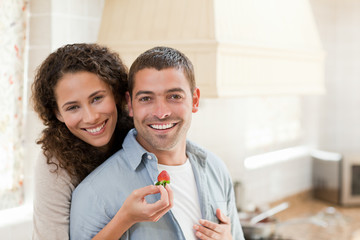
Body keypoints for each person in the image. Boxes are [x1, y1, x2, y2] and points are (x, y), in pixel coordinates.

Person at [70, 46, 245, 240]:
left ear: (195, 100)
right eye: (146, 98)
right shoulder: (94, 192)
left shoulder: (216, 169)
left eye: (174, 96)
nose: (161, 112)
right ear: (130, 104)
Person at [31, 43, 173, 240]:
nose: (90, 117)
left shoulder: (138, 132)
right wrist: (125, 218)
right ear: (58, 113)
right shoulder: (54, 164)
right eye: (73, 107)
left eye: (97, 98)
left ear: (115, 93)